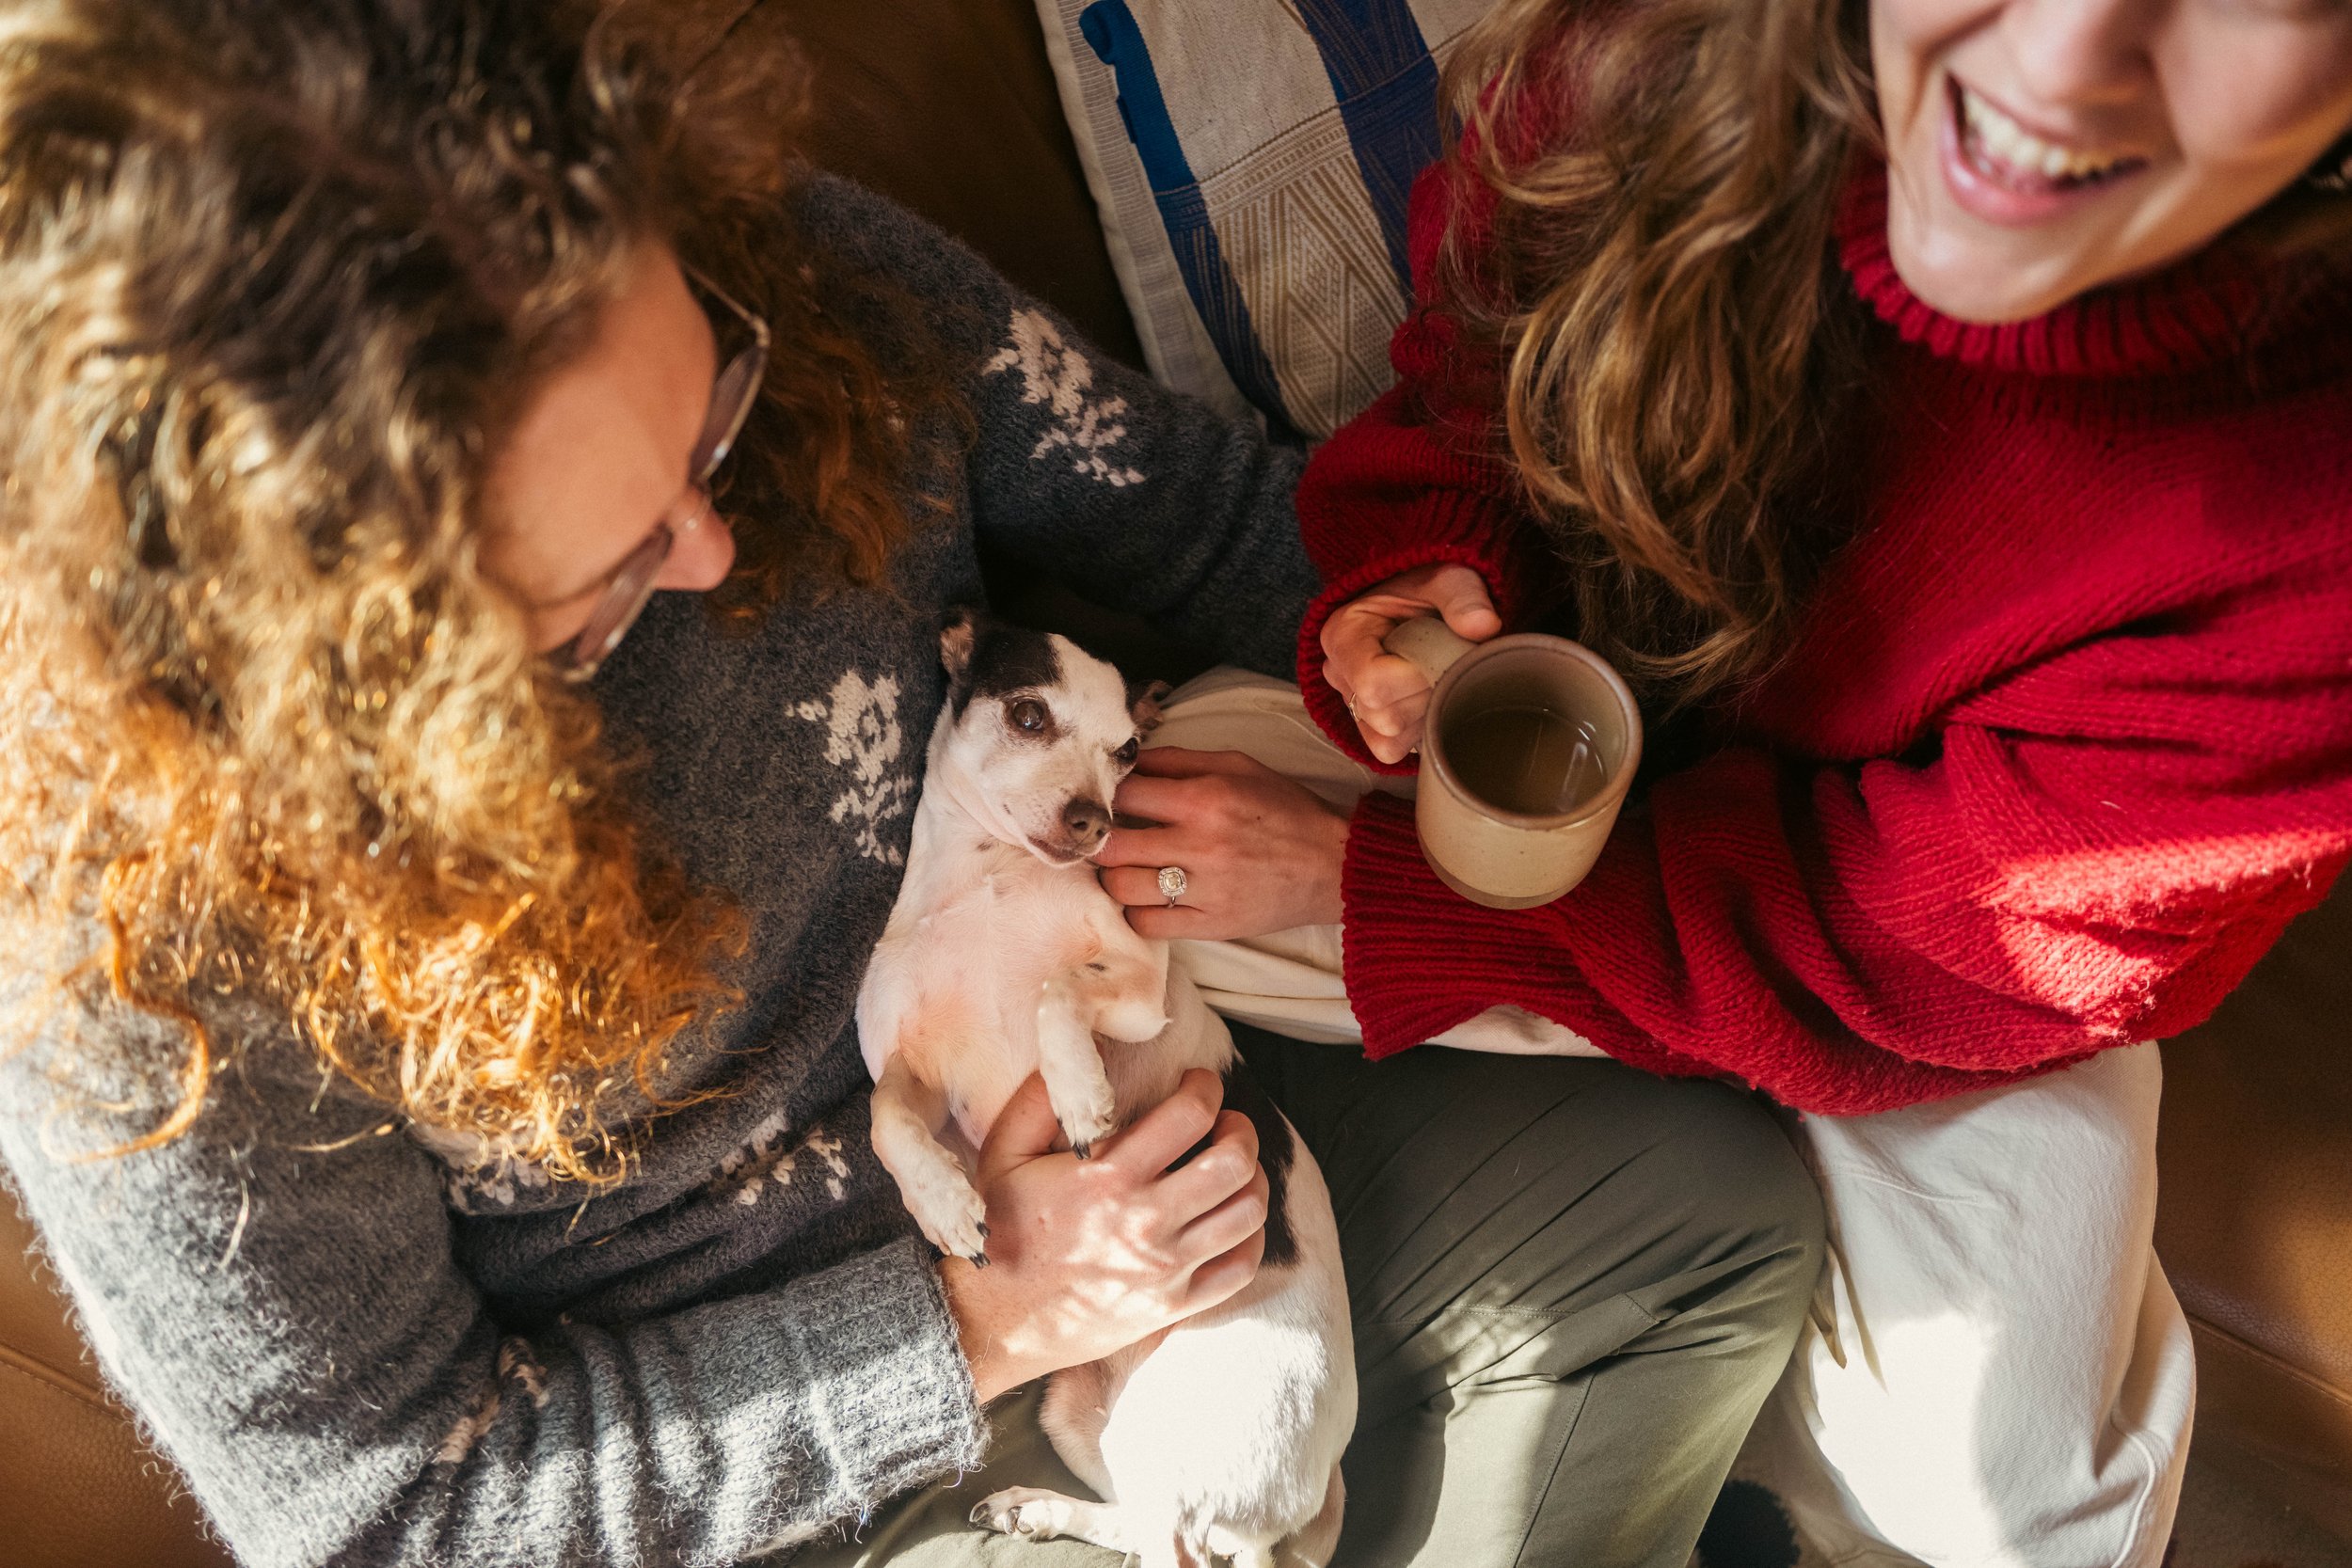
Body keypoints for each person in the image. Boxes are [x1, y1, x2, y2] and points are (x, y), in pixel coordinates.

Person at [0, 3, 1821, 1566]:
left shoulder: (793, 268)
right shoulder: (123, 943)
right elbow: (392, 1508)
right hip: (785, 1436)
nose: (717, 557)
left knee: (1700, 1214)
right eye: (591, 592)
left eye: (709, 414)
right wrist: (994, 1311)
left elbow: (1193, 513)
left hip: (1146, 1096)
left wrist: (1392, 629)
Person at [1098, 0, 2352, 1562]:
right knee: (1097, 864)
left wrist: (1389, 895)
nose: (2061, 53)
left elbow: (1890, 951)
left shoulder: (2316, 530)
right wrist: (1419, 570)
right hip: (1583, 788)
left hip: (1914, 973)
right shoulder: (1661, 46)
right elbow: (1465, 382)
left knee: (2019, 1501)